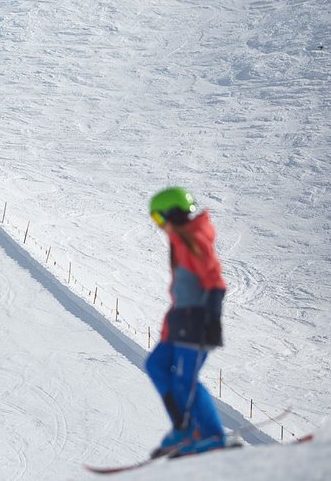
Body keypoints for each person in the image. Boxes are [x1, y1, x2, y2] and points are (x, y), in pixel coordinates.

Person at [145, 186, 228, 457]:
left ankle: (212, 436)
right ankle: (184, 428)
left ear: (173, 214)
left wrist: (212, 321)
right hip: (180, 322)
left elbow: (215, 281)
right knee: (156, 365)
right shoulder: (181, 241)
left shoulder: (194, 240)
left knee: (185, 381)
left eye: (159, 219)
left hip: (196, 323)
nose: (158, 226)